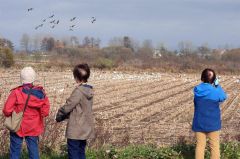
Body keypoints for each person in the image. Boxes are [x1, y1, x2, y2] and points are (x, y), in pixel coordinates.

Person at [2, 67, 50, 159]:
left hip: (18, 126)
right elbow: (45, 112)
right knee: (33, 151)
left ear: (21, 78)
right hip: (34, 126)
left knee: (15, 151)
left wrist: (12, 114)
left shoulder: (16, 92)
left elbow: (7, 110)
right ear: (33, 78)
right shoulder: (41, 94)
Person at [56, 63, 94, 159]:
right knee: (81, 152)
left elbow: (69, 105)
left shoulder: (79, 91)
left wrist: (59, 115)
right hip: (85, 128)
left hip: (76, 129)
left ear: (76, 77)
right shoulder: (89, 90)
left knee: (73, 154)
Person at [192, 68, 227, 159]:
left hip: (199, 122)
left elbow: (195, 103)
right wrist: (217, 85)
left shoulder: (197, 90)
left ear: (202, 77)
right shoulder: (215, 91)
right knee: (214, 146)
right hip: (213, 123)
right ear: (214, 79)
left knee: (200, 146)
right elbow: (223, 97)